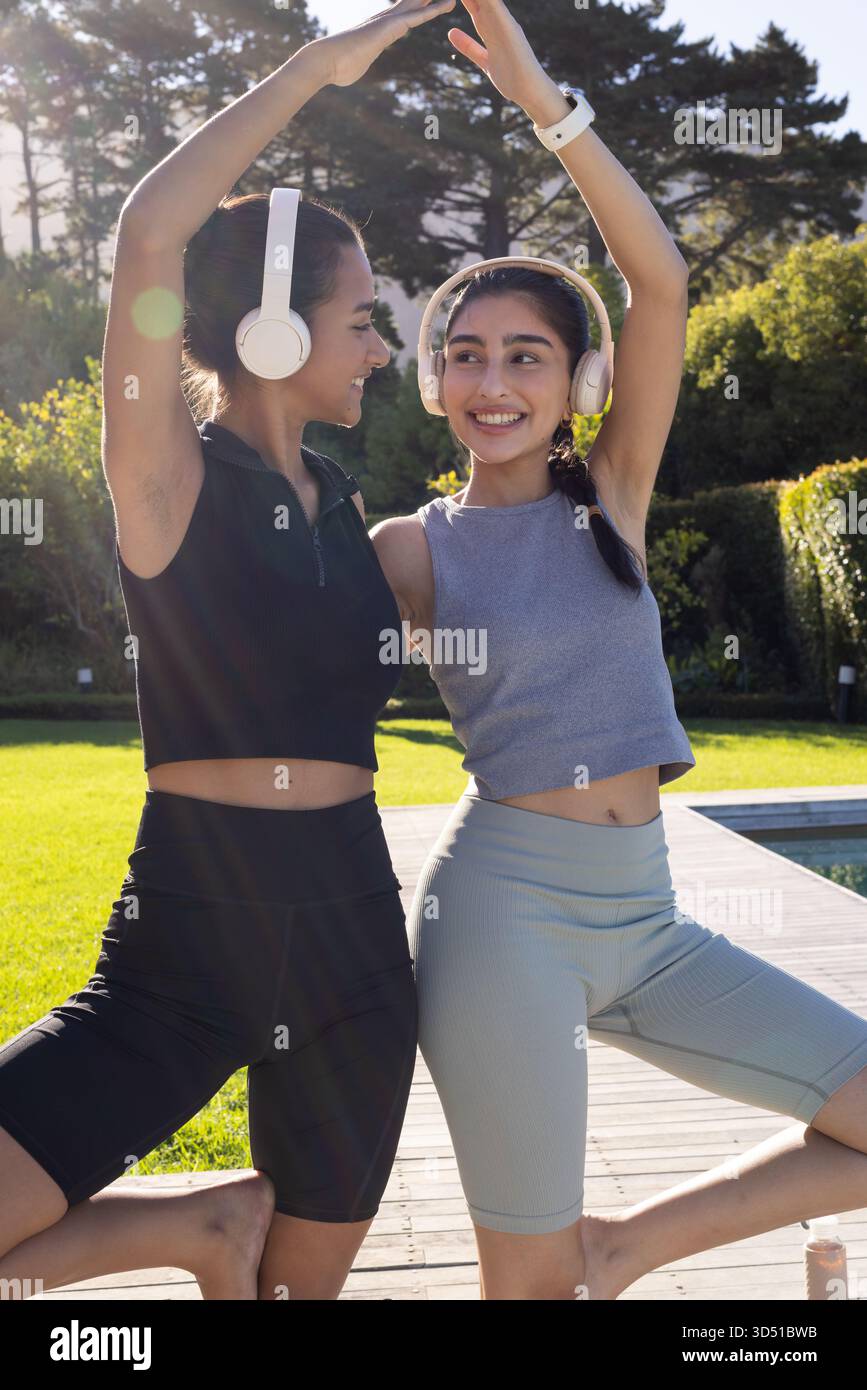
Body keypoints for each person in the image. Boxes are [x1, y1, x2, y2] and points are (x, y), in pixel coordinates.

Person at [370, 0, 867, 1301]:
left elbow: (662, 278)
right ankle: (567, 1261)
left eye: (526, 356)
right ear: (432, 382)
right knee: (521, 1288)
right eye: (464, 356)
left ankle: (624, 1247)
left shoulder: (615, 498)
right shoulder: (409, 548)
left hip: (648, 918)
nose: (493, 383)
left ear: (579, 379)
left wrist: (548, 103)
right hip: (502, 919)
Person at [0, 0, 457, 1302]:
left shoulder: (347, 505)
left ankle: (228, 1252)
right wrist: (320, 67)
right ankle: (191, 1230)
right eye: (363, 316)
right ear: (269, 328)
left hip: (355, 937)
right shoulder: (168, 482)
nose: (385, 344)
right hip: (186, 937)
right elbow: (150, 232)